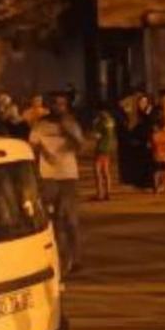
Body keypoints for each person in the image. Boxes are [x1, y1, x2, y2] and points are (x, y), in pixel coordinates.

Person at [30, 93, 86, 273]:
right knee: (53, 220)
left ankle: (76, 258)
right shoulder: (40, 125)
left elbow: (80, 146)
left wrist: (68, 131)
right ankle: (57, 257)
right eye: (55, 104)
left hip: (68, 176)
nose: (59, 107)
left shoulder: (71, 123)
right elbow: (32, 146)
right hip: (48, 176)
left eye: (62, 104)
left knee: (70, 219)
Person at [91, 104, 117, 201]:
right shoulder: (111, 121)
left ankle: (100, 194)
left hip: (100, 147)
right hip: (108, 148)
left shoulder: (100, 122)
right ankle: (108, 193)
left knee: (97, 171)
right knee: (106, 171)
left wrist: (94, 127)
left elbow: (96, 136)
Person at [150, 113, 165, 194]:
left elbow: (152, 145)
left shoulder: (155, 135)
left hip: (157, 155)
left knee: (157, 172)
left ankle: (156, 189)